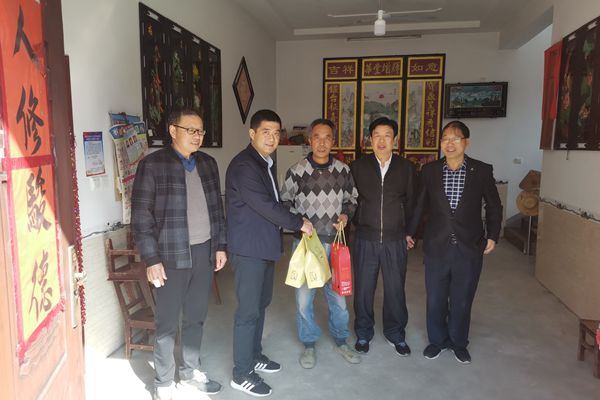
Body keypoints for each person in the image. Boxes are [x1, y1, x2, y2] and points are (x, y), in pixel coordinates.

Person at [131, 109, 227, 400]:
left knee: (196, 316)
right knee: (167, 322)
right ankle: (163, 382)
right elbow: (141, 217)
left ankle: (189, 372)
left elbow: (217, 209)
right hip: (170, 255)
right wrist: (151, 259)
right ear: (173, 131)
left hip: (204, 252)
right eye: (191, 130)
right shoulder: (152, 165)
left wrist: (220, 245)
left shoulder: (208, 164)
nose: (197, 136)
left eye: (201, 131)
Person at [226, 109, 313, 397]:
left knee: (261, 304)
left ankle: (253, 356)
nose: (272, 138)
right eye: (266, 132)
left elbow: (273, 202)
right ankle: (241, 373)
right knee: (248, 312)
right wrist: (298, 222)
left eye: (276, 133)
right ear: (252, 133)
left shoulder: (265, 162)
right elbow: (265, 205)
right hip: (248, 249)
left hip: (263, 246)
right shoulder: (244, 165)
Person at [407, 120, 502, 364]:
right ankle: (437, 341)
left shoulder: (481, 170)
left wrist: (492, 235)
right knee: (435, 299)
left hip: (468, 246)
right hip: (437, 246)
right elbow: (419, 204)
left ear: (466, 142)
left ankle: (459, 342)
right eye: (445, 139)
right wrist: (410, 232)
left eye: (455, 138)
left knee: (462, 299)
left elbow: (493, 205)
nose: (449, 143)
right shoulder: (429, 170)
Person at [280, 118, 361, 369]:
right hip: (307, 245)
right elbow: (284, 203)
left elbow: (352, 199)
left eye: (327, 137)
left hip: (334, 244)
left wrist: (346, 216)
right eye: (317, 137)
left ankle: (341, 340)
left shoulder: (343, 170)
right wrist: (298, 221)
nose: (322, 142)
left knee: (338, 299)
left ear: (333, 141)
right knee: (304, 300)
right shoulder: (296, 171)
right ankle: (309, 343)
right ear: (310, 140)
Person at [350, 117, 416, 357]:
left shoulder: (406, 168)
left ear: (395, 140)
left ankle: (395, 333)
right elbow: (351, 201)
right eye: (376, 135)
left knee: (395, 289)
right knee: (364, 289)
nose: (381, 140)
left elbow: (412, 202)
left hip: (394, 239)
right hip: (365, 238)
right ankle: (363, 332)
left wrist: (409, 232)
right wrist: (355, 228)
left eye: (387, 135)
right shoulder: (357, 167)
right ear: (370, 139)